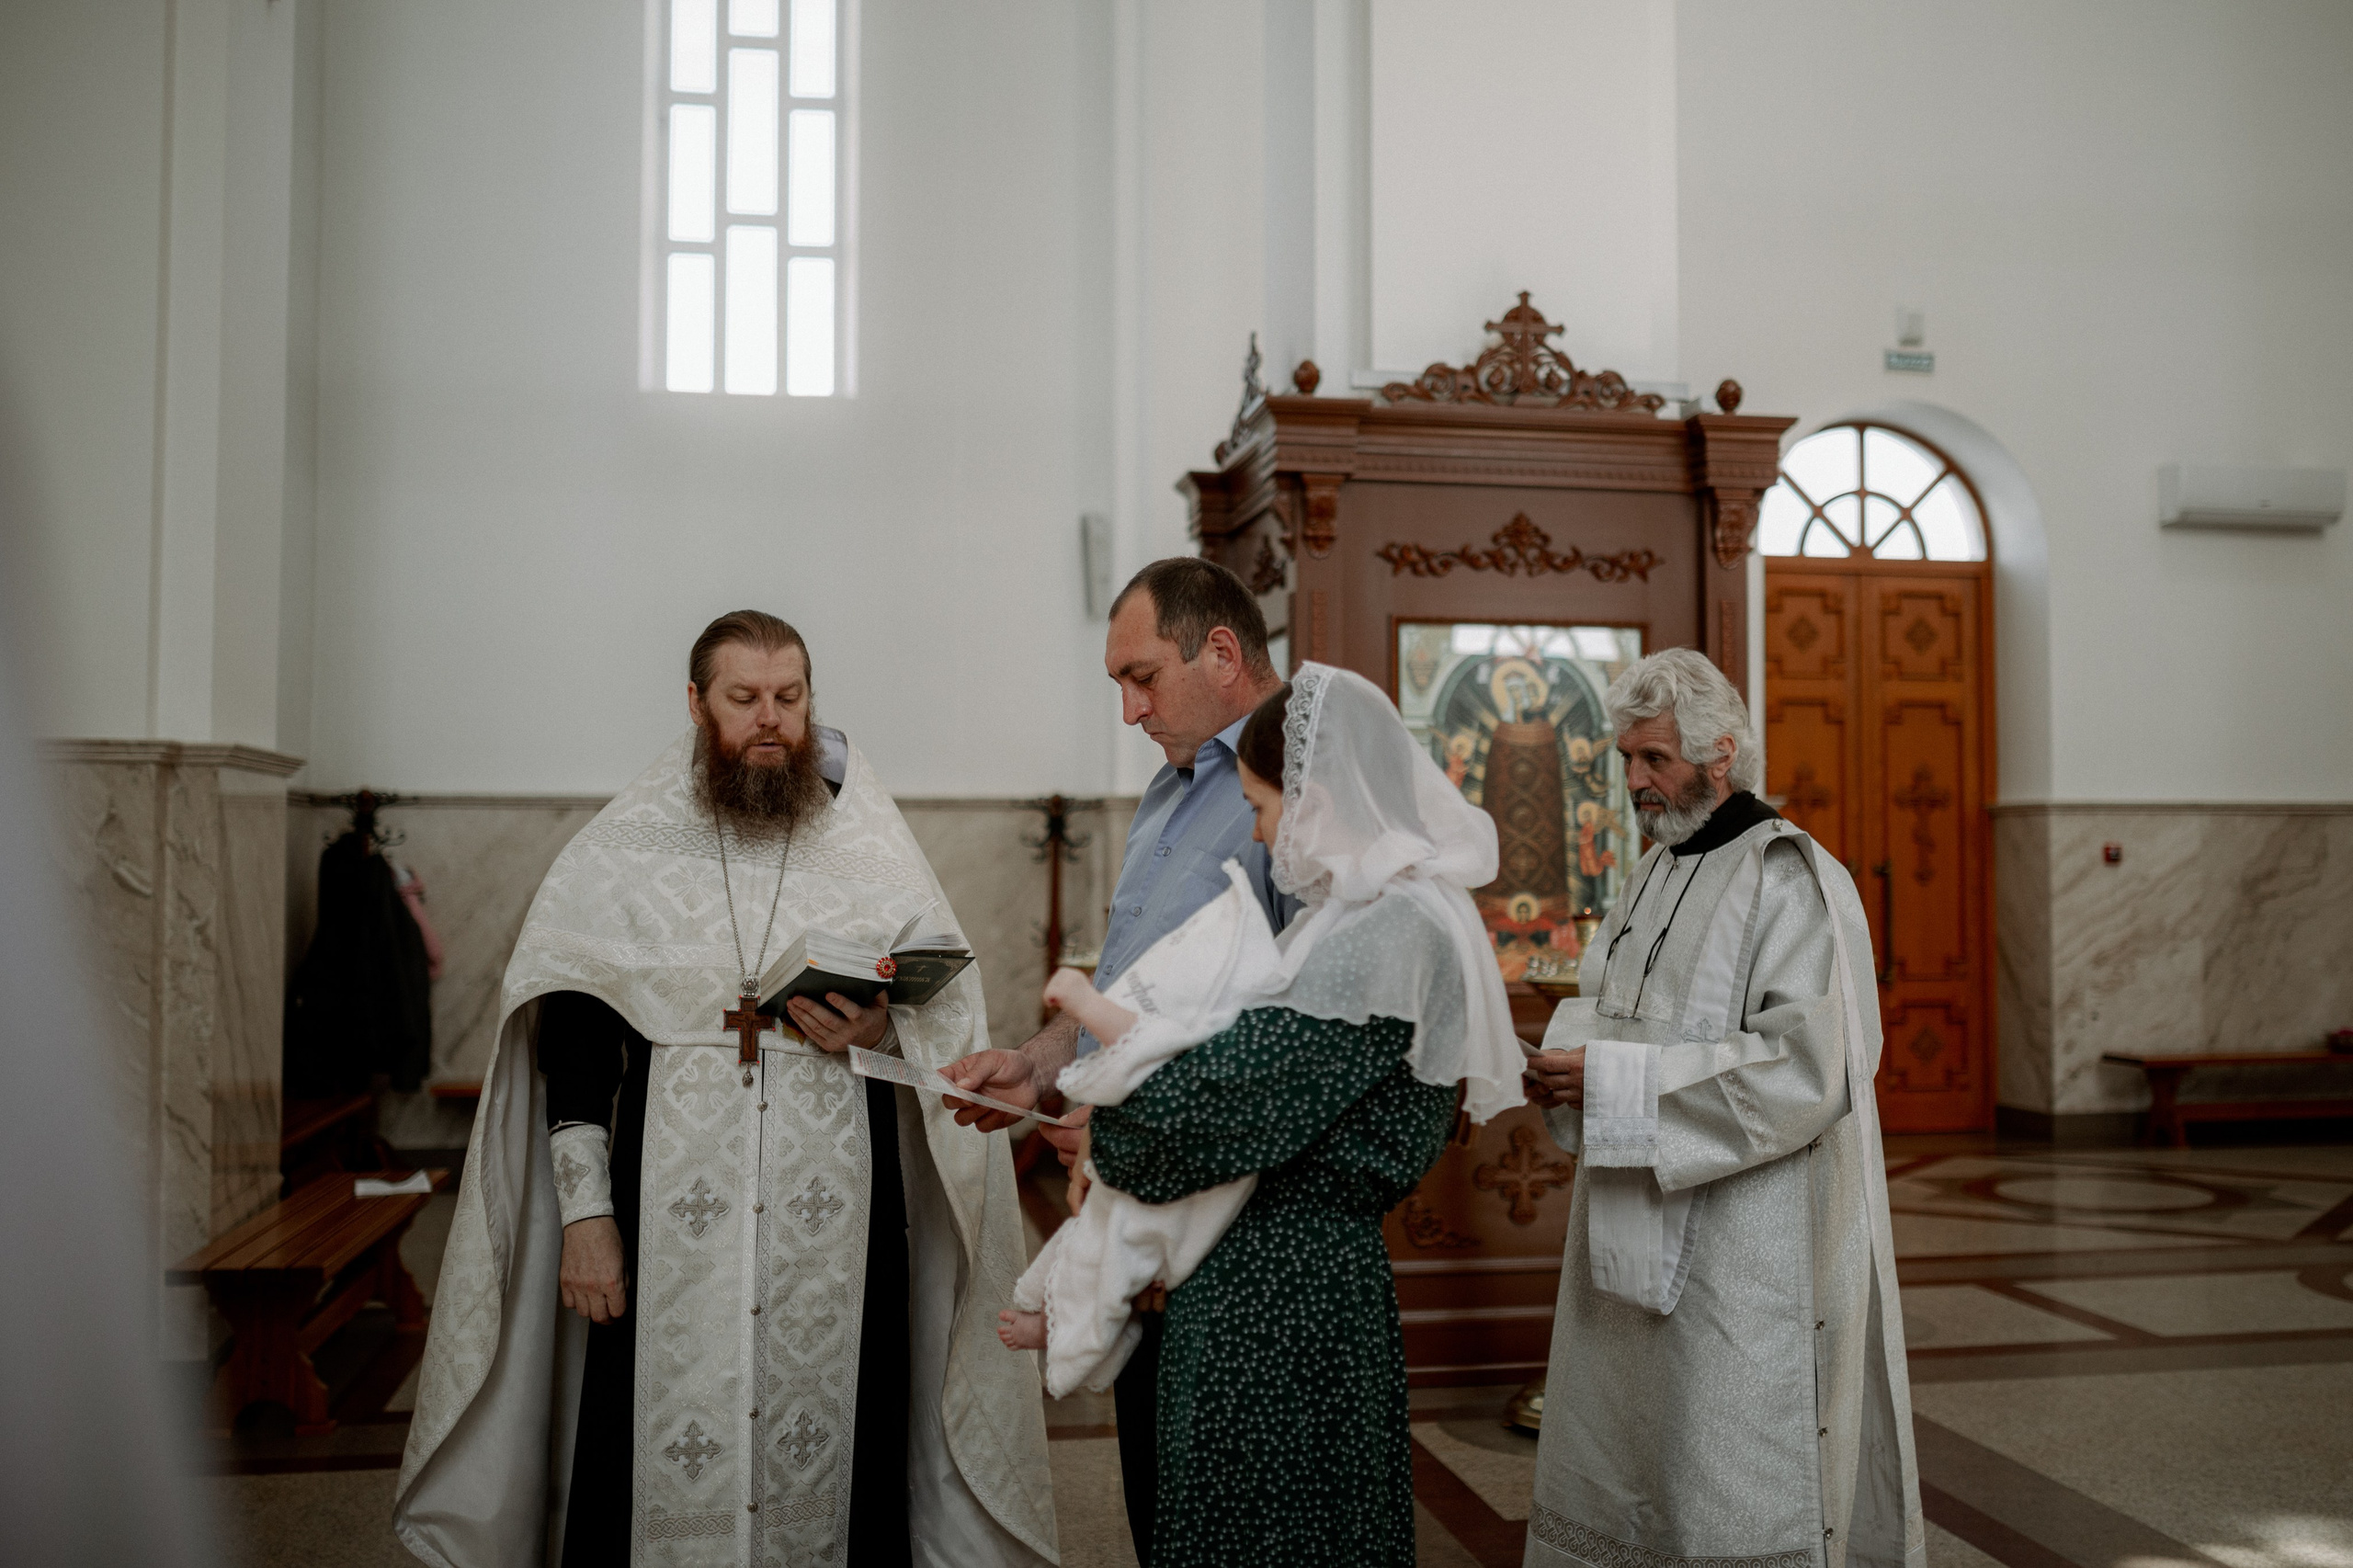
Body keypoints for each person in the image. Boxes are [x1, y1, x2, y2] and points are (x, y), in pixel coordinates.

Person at [393, 611, 1056, 1568]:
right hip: (670, 1230)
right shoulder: (620, 850)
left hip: (836, 1233)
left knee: (840, 1455)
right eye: (744, 699)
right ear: (696, 703)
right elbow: (573, 1050)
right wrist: (587, 1217)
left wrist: (880, 1024)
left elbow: (939, 1015)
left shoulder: (867, 844)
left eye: (789, 698)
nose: (770, 721)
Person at [1053, 665, 1528, 1567]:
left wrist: (1112, 1129)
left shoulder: (1391, 930)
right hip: (1266, 1269)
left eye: (1262, 807)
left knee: (1278, 1525)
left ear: (1315, 796)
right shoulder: (1346, 916)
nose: (1262, 833)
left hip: (1286, 1291)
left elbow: (1228, 1102)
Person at [1519, 648, 1923, 1568]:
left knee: (1716, 1444)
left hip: (1741, 1236)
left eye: (1654, 759)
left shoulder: (1788, 877)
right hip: (1633, 1203)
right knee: (1632, 1438)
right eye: (1625, 759)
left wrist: (1616, 1080)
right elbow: (1629, 1009)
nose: (1635, 781)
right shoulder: (1655, 872)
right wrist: (1569, 1062)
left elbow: (1808, 1065)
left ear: (1720, 754)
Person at [942, 557, 1293, 1563]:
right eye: (1119, 686)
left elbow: (1303, 1021)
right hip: (1133, 1195)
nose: (1130, 709)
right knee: (1159, 1494)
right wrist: (1040, 1065)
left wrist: (1138, 1122)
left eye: (1142, 677)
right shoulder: (1167, 792)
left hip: (1236, 1211)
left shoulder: (1304, 778)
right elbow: (1132, 981)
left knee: (1235, 1510)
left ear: (1221, 652)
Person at [995, 858, 1292, 1395]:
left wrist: (1084, 1002)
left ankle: (1076, 1338)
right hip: (1131, 1152)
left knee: (1117, 1256)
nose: (1258, 828)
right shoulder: (1160, 806)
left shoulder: (1240, 966)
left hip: (1203, 1192)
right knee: (1086, 1238)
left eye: (1261, 808)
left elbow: (1151, 1038)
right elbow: (1130, 993)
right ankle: (1059, 1315)